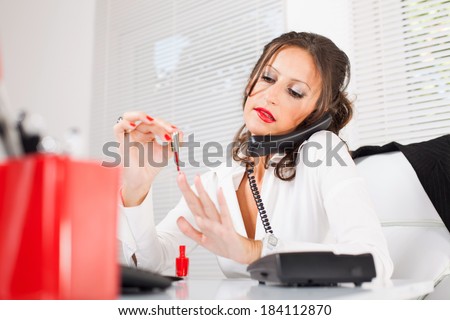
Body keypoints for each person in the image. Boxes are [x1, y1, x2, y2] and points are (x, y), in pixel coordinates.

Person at [114, 31, 394, 280]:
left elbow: (375, 262)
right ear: (251, 83)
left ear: (317, 116)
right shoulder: (221, 179)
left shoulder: (323, 150)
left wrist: (256, 251)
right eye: (268, 77)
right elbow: (151, 265)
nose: (270, 95)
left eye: (295, 92)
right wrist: (137, 188)